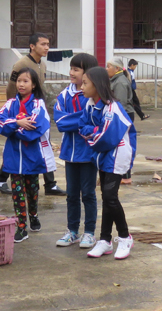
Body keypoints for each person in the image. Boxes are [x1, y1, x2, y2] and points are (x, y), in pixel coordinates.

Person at [0, 33, 66, 196]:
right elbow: (12, 88)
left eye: (48, 44)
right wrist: (15, 111)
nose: (46, 47)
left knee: (43, 144)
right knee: (19, 148)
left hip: (37, 109)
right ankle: (1, 177)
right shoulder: (22, 64)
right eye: (43, 44)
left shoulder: (43, 64)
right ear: (32, 46)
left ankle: (50, 184)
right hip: (22, 112)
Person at [79, 67, 136, 259]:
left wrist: (93, 132)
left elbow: (107, 137)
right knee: (106, 197)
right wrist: (94, 131)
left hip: (117, 155)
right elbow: (82, 127)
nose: (82, 86)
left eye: (85, 83)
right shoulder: (89, 105)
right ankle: (104, 240)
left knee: (111, 197)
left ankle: (125, 236)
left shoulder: (113, 108)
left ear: (97, 85)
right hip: (103, 155)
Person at [0, 67, 56, 243]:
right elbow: (1, 122)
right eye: (19, 81)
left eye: (26, 81)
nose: (21, 84)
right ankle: (21, 226)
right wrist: (17, 122)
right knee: (17, 192)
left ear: (33, 84)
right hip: (14, 156)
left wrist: (13, 130)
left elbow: (36, 128)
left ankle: (34, 215)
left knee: (32, 189)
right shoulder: (10, 104)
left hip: (32, 156)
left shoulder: (38, 105)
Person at [54, 53, 99, 249]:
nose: (71, 73)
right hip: (70, 153)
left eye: (76, 69)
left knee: (88, 193)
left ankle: (89, 233)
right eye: (71, 68)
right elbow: (60, 122)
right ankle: (72, 231)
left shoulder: (93, 96)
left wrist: (81, 120)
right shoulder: (64, 95)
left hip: (89, 153)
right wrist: (83, 119)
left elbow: (96, 120)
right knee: (72, 194)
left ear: (87, 73)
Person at [106, 57, 135, 184]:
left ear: (116, 68)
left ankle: (126, 176)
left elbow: (120, 104)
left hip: (123, 115)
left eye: (108, 66)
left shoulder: (120, 83)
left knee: (123, 145)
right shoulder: (115, 80)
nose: (106, 69)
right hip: (120, 114)